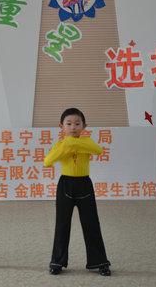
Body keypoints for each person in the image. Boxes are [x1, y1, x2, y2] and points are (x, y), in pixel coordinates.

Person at [43, 108, 111, 276]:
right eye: (69, 124)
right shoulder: (60, 145)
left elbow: (98, 150)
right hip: (65, 185)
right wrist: (67, 145)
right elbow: (47, 162)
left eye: (77, 124)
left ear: (84, 126)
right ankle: (57, 262)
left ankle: (100, 262)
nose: (73, 127)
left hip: (84, 184)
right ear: (61, 126)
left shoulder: (87, 142)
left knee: (91, 224)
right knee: (62, 224)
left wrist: (73, 143)